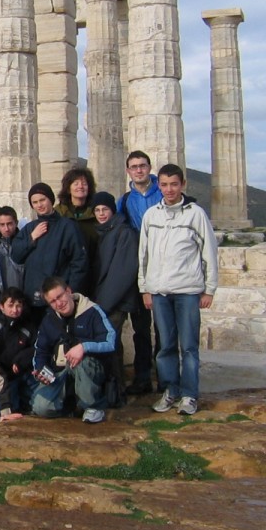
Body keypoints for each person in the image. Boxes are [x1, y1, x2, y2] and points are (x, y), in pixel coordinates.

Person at [138, 164, 218, 416]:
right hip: (159, 292)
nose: (169, 189)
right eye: (164, 184)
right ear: (158, 185)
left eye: (174, 184)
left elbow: (209, 254)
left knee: (189, 346)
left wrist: (209, 290)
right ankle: (171, 390)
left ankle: (190, 395)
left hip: (187, 291)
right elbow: (144, 255)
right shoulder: (151, 215)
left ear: (182, 184)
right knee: (166, 346)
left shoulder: (196, 214)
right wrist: (145, 288)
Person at [31, 277, 117, 423]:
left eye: (60, 296)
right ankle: (71, 407)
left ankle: (94, 407)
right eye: (52, 301)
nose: (59, 303)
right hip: (60, 372)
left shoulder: (92, 311)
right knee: (41, 408)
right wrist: (41, 370)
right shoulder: (49, 320)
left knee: (81, 362)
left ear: (69, 291)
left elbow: (110, 342)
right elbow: (40, 351)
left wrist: (84, 347)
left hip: (89, 369)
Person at [118, 150, 163, 395]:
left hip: (166, 267)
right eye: (134, 167)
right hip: (139, 269)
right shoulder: (124, 201)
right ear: (128, 171)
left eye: (142, 166)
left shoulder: (164, 193)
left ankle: (166, 378)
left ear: (149, 167)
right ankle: (143, 377)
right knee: (141, 328)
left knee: (166, 328)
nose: (139, 170)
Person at [10, 183, 89, 320]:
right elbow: (16, 256)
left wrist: (71, 289)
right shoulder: (29, 228)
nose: (39, 205)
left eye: (42, 200)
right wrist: (32, 238)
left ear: (51, 200)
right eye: (35, 202)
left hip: (57, 298)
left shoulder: (68, 227)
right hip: (32, 298)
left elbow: (80, 262)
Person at [91, 191, 140, 406]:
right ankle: (114, 392)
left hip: (116, 302)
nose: (101, 214)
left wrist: (102, 305)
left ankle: (116, 393)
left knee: (109, 346)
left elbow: (123, 271)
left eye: (105, 210)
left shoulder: (124, 233)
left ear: (113, 210)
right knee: (113, 345)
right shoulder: (104, 231)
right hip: (104, 300)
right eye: (98, 210)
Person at [0, 286, 39, 415]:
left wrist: (21, 359)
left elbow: (38, 347)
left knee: (41, 405)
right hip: (3, 379)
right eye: (10, 305)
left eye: (18, 305)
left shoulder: (29, 327)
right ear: (1, 306)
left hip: (24, 373)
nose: (15, 310)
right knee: (0, 409)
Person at [56, 167, 99, 254]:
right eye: (76, 184)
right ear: (68, 189)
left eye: (84, 183)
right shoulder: (58, 212)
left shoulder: (98, 211)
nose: (80, 187)